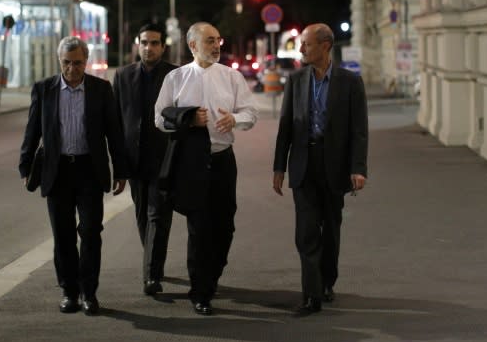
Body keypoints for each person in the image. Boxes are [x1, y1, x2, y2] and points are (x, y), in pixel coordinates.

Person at [19, 36, 130, 316]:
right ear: (60, 61)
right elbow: (33, 130)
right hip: (57, 172)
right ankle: (69, 291)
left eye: (78, 63)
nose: (72, 69)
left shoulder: (101, 90)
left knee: (91, 231)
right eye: (66, 63)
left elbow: (114, 133)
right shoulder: (44, 89)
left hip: (89, 170)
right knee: (63, 236)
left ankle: (89, 293)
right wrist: (25, 166)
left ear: (86, 61)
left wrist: (121, 170)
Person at [155, 22, 258, 315]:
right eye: (210, 41)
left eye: (218, 40)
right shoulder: (176, 78)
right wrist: (189, 120)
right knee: (199, 228)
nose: (216, 46)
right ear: (193, 46)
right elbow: (159, 119)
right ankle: (200, 291)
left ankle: (211, 276)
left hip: (224, 158)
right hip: (192, 161)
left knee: (225, 225)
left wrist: (234, 120)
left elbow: (251, 112)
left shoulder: (232, 76)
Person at [272, 23, 368, 315]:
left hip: (335, 166)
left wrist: (358, 168)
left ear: (325, 46)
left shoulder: (350, 82)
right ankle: (311, 295)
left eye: (307, 44)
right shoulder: (296, 80)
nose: (301, 49)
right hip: (303, 164)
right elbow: (285, 126)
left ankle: (327, 281)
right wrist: (279, 167)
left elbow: (359, 131)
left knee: (330, 229)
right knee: (306, 232)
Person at [112, 22, 178, 296]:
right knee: (142, 215)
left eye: (154, 43)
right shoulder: (123, 75)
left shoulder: (175, 75)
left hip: (165, 159)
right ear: (137, 45)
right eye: (144, 42)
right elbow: (115, 123)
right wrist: (119, 167)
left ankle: (151, 274)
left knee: (158, 216)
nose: (148, 47)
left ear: (163, 46)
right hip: (134, 159)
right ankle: (153, 261)